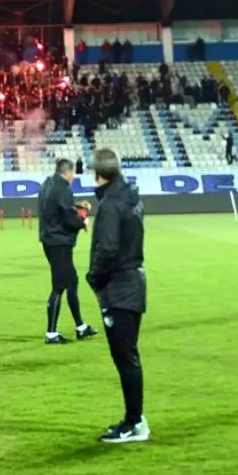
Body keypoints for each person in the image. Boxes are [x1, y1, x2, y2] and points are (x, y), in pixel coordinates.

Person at [87, 148, 150, 444]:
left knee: (125, 357)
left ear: (97, 173)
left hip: (120, 287)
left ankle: (134, 422)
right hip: (134, 280)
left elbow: (108, 249)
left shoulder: (111, 204)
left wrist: (94, 279)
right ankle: (135, 419)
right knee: (128, 355)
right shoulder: (131, 197)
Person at [37, 159, 98, 345]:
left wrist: (75, 207)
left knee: (72, 281)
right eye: (73, 174)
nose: (73, 177)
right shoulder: (64, 189)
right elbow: (69, 219)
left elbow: (57, 209)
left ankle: (80, 327)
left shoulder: (47, 184)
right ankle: (51, 333)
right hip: (59, 242)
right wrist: (83, 220)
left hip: (49, 238)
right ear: (68, 172)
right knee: (60, 285)